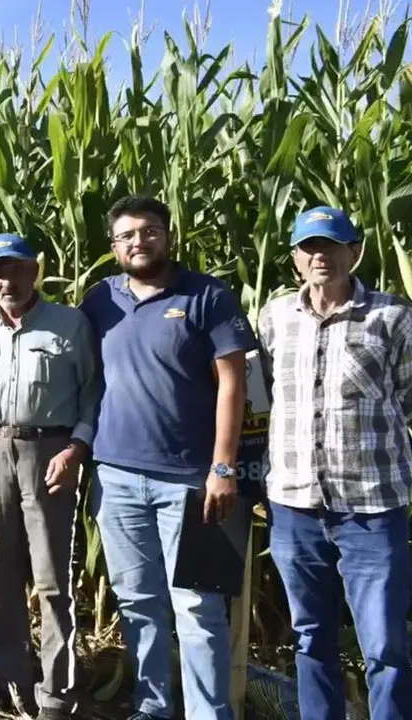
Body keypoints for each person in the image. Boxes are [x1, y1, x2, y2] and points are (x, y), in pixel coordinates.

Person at [78, 195, 254, 720]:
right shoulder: (99, 300)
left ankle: (208, 714)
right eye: (127, 235)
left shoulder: (208, 296)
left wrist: (223, 467)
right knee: (138, 602)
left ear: (168, 235)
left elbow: (233, 382)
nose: (139, 241)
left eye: (149, 230)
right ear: (113, 247)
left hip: (190, 480)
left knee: (198, 607)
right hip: (116, 476)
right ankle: (153, 707)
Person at [258, 207, 412, 720]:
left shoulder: (392, 317)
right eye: (308, 247)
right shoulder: (275, 316)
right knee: (309, 637)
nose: (319, 255)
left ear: (355, 251)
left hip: (371, 506)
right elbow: (263, 399)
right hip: (294, 505)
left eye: (331, 245)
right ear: (296, 258)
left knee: (384, 646)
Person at [0, 234, 100, 719]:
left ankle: (57, 690)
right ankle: (10, 681)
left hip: (50, 451)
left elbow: (91, 393)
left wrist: (76, 448)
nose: (9, 280)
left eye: (18, 269)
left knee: (51, 576)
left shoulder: (70, 323)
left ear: (35, 273)